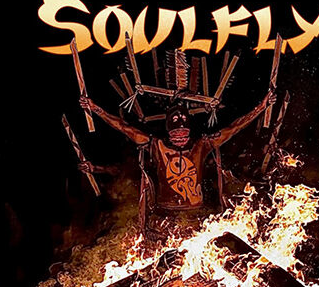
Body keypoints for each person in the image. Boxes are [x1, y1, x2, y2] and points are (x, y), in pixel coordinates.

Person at [80, 88, 273, 238]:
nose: (180, 133)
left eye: (183, 129)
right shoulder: (156, 146)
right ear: (168, 130)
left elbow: (234, 127)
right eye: (175, 130)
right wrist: (95, 108)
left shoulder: (201, 145)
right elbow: (124, 127)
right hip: (165, 215)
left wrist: (261, 107)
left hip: (196, 215)